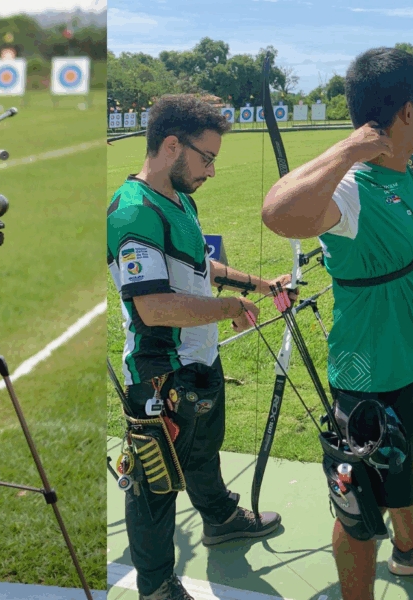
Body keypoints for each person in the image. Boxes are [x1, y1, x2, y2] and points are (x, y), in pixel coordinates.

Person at [262, 48, 413, 600]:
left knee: (398, 469)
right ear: (406, 113)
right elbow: (278, 212)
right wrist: (348, 146)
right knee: (358, 508)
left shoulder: (409, 166)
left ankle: (409, 551)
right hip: (369, 377)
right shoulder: (351, 192)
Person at [107, 95, 293, 600]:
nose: (211, 170)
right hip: (160, 373)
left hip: (198, 359)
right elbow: (153, 308)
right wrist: (229, 309)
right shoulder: (133, 211)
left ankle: (220, 519)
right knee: (155, 484)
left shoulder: (180, 200)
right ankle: (156, 586)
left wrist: (255, 284)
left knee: (204, 450)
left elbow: (199, 268)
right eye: (206, 157)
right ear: (172, 146)